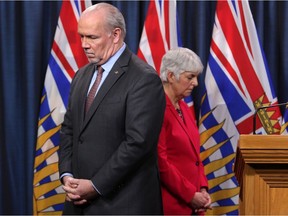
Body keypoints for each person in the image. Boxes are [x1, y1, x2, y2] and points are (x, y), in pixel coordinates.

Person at [58, 3, 165, 215]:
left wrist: (95, 185)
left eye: (92, 37)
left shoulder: (143, 78)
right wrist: (67, 174)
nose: (84, 45)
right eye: (81, 37)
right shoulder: (81, 75)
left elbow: (137, 143)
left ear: (115, 35)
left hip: (121, 204)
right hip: (78, 203)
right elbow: (69, 130)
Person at [157, 47, 212, 215]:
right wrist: (190, 195)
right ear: (171, 76)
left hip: (194, 204)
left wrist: (202, 188)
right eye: (190, 77)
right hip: (171, 204)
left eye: (196, 77)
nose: (195, 83)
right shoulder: (157, 109)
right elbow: (160, 162)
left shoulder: (184, 107)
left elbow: (195, 155)